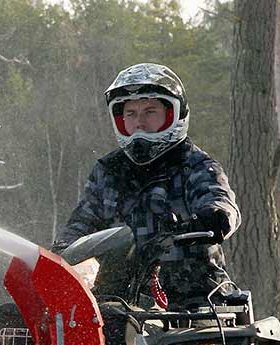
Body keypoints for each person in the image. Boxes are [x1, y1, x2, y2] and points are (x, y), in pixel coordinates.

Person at [53, 63, 241, 308]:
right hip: (116, 300)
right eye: (131, 114)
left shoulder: (196, 165)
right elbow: (83, 221)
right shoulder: (109, 170)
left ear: (173, 115)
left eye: (150, 111)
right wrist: (62, 252)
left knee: (197, 339)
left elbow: (219, 199)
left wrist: (213, 218)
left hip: (193, 300)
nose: (139, 122)